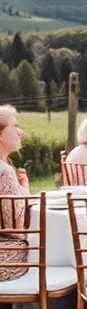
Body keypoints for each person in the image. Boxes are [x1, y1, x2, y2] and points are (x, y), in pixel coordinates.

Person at [0, 105, 29, 282]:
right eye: (15, 126)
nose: (20, 132)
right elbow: (16, 227)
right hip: (5, 260)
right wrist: (24, 189)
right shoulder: (4, 171)